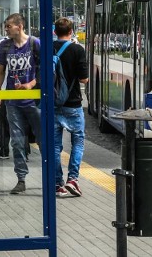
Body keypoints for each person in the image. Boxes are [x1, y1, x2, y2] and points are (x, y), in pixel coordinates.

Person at [0, 13, 41, 195]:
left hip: (34, 102)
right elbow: (1, 70)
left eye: (8, 26)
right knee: (17, 142)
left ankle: (55, 178)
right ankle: (21, 179)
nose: (6, 29)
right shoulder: (5, 46)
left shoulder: (35, 44)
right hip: (13, 103)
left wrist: (31, 84)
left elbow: (44, 71)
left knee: (43, 140)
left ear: (19, 27)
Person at [53, 17, 89, 198]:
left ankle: (57, 183)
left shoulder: (48, 48)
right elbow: (83, 79)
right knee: (78, 141)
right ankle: (72, 179)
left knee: (54, 146)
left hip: (52, 104)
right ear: (71, 31)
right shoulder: (77, 49)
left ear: (55, 32)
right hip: (73, 103)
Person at [0, 35, 33, 160]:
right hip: (19, 90)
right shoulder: (27, 42)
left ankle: (4, 150)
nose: (6, 29)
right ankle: (24, 151)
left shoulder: (3, 44)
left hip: (8, 90)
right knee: (21, 120)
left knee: (4, 120)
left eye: (9, 26)